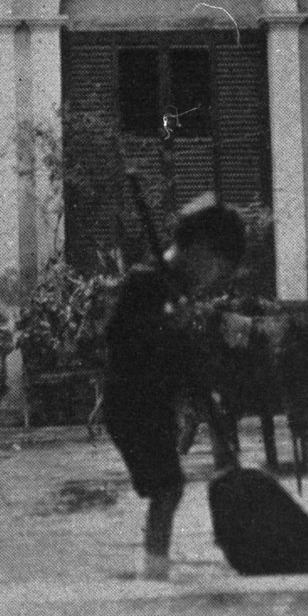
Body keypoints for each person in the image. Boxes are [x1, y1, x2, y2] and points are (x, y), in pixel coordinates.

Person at [101, 194, 246, 581]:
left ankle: (155, 566)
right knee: (168, 487)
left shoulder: (174, 289)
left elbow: (182, 359)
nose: (213, 279)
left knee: (169, 487)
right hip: (130, 403)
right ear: (199, 249)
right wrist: (165, 324)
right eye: (216, 268)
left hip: (155, 404)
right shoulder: (145, 281)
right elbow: (116, 337)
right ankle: (153, 572)